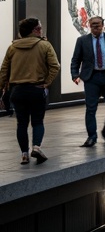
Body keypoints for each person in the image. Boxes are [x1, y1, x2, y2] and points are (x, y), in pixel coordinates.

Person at [0, 17, 60, 164]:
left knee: (21, 123)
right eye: (40, 27)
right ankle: (36, 147)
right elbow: (55, 66)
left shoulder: (12, 48)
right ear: (36, 30)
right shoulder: (45, 45)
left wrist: (1, 90)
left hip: (17, 91)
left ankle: (24, 154)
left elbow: (4, 71)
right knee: (37, 121)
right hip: (36, 89)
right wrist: (47, 83)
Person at [70, 14, 105, 147]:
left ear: (103, 26)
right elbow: (76, 59)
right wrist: (74, 74)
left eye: (98, 24)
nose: (96, 27)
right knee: (91, 108)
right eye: (93, 25)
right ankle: (92, 136)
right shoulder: (82, 40)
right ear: (89, 26)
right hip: (91, 77)